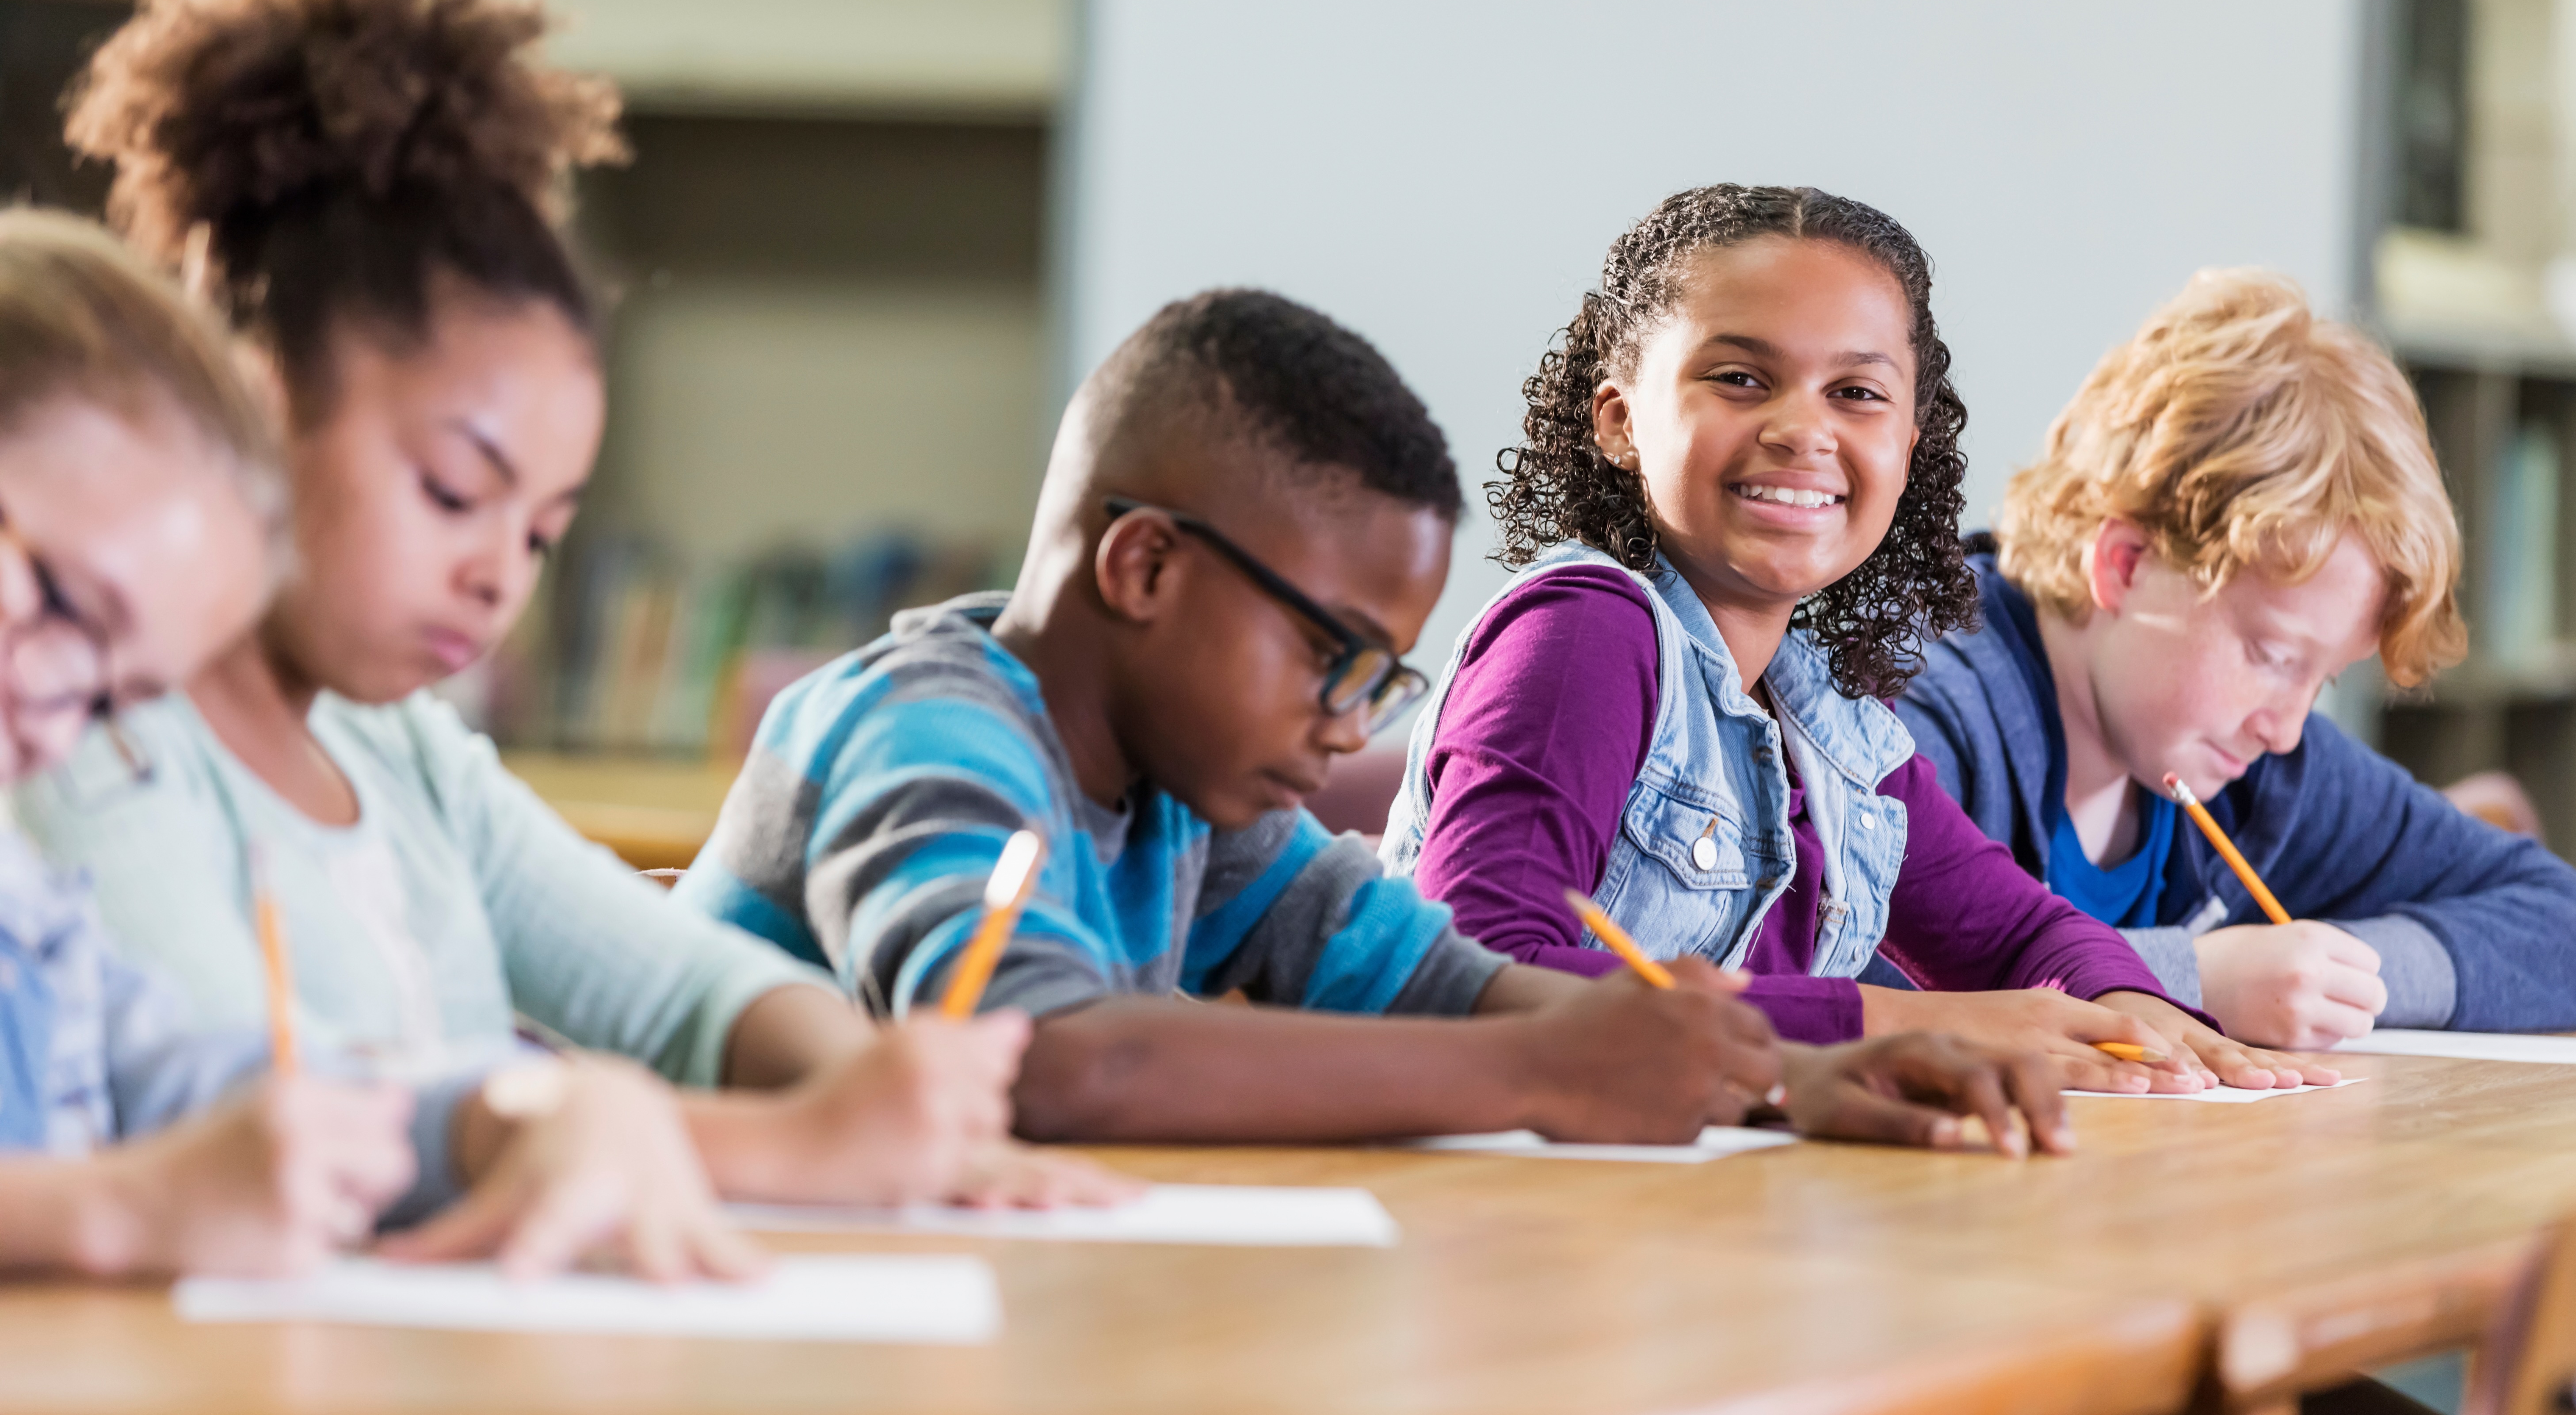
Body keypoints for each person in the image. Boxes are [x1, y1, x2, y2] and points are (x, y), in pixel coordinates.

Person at [24, 0, 1110, 1209]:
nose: (501, 576)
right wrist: (782, 1146)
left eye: (543, 529)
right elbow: (244, 1106)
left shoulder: (398, 751)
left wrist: (870, 1091)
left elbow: (677, 984)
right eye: (451, 491)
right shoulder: (79, 722)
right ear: (256, 404)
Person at [688, 286, 2076, 1155]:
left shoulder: (1195, 795)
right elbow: (1050, 1062)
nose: (1347, 729)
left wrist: (1777, 1074)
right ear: (1146, 570)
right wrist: (1542, 1073)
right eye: (1332, 658)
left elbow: (1440, 981)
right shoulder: (928, 732)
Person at [1384, 183, 2323, 1094]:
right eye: (1740, 378)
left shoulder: (1823, 717)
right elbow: (1480, 977)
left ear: (1908, 447)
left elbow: (2022, 934)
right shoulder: (1585, 635)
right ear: (1620, 420)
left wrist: (2132, 1014)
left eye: (1857, 393)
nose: (1804, 430)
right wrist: (1915, 1021)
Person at [0, 206, 752, 1280]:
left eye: (112, 702)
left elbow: (203, 1086)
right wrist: (115, 1211)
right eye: (62, 606)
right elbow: (146, 1179)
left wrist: (517, 1112)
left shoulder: (22, 902)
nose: (51, 715)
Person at [1897, 269, 2576, 1046]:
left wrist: (2346, 975)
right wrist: (2192, 981)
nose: (2287, 728)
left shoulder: (2261, 772)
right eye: (2273, 654)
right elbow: (1837, 986)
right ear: (2123, 565)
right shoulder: (1916, 708)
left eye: (2322, 678)